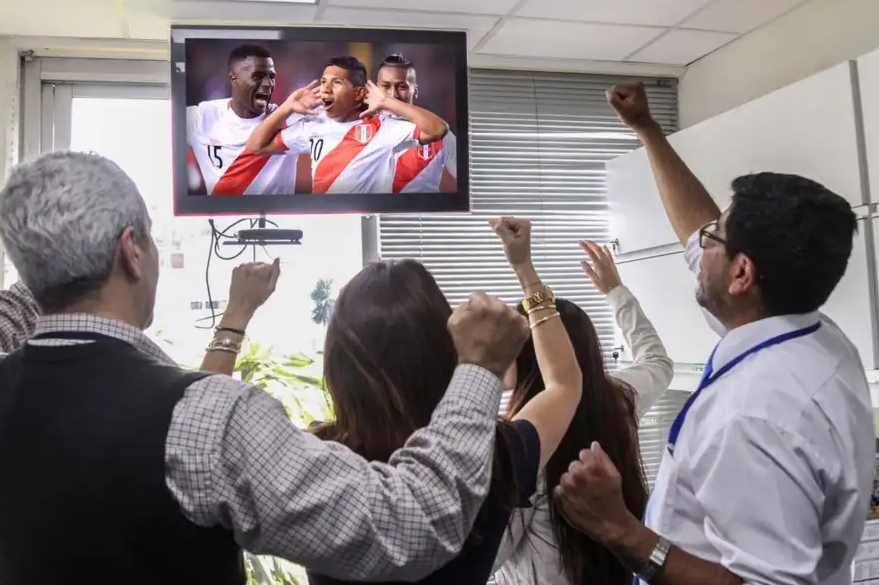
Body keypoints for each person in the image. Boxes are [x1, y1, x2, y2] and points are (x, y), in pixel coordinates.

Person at [0, 150, 534, 583]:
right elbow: (408, 526)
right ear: (132, 252)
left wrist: (52, 253)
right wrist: (478, 369)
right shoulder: (212, 418)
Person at [552, 83, 874, 585]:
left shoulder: (754, 416)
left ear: (741, 274)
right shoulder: (807, 333)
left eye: (713, 238)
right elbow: (695, 227)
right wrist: (647, 131)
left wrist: (620, 530)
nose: (700, 243)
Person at [305, 217, 583, 585]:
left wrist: (234, 323)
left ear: (337, 365)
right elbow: (564, 383)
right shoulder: (494, 455)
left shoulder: (313, 462)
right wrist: (524, 270)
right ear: (445, 348)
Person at [492, 239, 673, 585]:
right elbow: (657, 362)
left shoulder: (526, 446)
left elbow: (483, 557)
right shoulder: (620, 397)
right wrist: (615, 291)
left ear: (530, 354)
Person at [245, 56, 449, 194]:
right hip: (322, 220)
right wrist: (286, 108)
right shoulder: (312, 124)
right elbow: (256, 146)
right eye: (324, 81)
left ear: (359, 93)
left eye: (336, 83)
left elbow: (438, 129)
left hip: (364, 216)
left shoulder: (384, 127)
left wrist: (387, 102)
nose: (325, 88)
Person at [185, 43, 301, 196]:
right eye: (258, 76)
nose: (268, 84)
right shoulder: (202, 117)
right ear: (234, 79)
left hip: (280, 218)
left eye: (271, 77)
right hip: (221, 217)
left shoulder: (291, 120)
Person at [375, 53, 457, 193]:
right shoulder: (357, 131)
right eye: (386, 86)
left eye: (401, 87)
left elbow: (468, 188)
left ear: (415, 91)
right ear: (376, 90)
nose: (393, 95)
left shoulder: (441, 136)